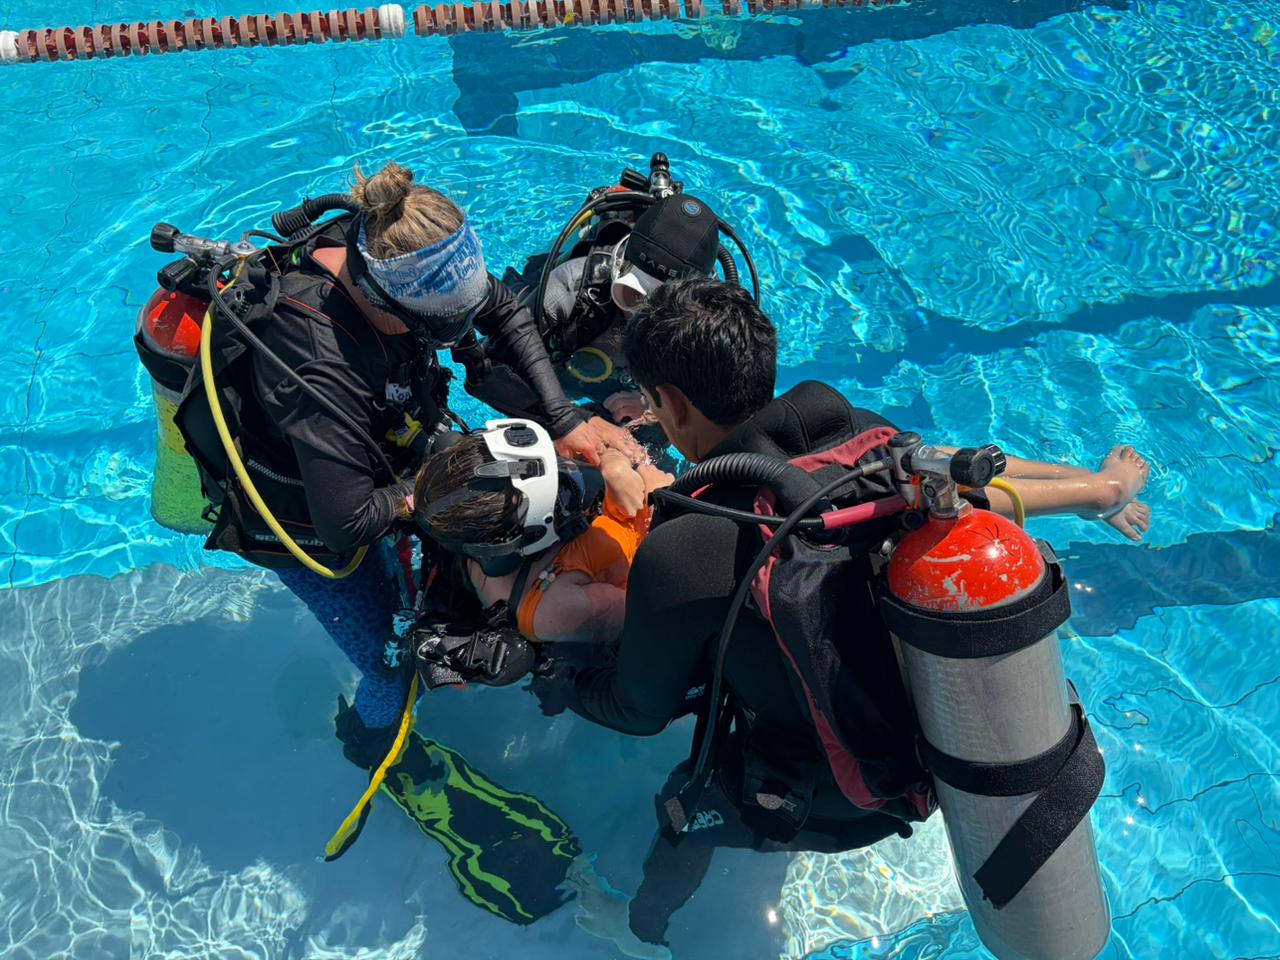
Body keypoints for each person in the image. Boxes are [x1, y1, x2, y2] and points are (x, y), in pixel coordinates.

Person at [557, 278, 1151, 947]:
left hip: (836, 800)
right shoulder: (864, 442)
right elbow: (976, 480)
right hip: (950, 739)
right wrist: (1098, 490)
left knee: (689, 809)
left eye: (651, 405)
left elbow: (639, 710)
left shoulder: (686, 545)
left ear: (668, 401)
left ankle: (639, 930)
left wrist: (564, 680)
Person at [163, 161, 641, 920]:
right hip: (310, 530)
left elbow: (506, 309)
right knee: (392, 651)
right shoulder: (314, 358)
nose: (454, 338)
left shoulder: (398, 247)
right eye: (437, 329)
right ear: (381, 297)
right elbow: (346, 521)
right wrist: (444, 492)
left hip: (382, 456)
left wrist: (565, 416)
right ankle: (379, 746)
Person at [504, 155, 757, 460]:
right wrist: (572, 420)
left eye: (663, 314)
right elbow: (494, 369)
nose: (642, 321)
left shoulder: (707, 321)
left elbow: (722, 410)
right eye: (633, 297)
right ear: (619, 272)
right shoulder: (572, 289)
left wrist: (653, 409)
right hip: (562, 375)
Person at [412, 420, 673, 649]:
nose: (570, 475)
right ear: (531, 532)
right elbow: (658, 615)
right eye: (564, 494)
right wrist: (665, 514)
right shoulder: (554, 609)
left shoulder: (493, 496)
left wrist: (614, 464)